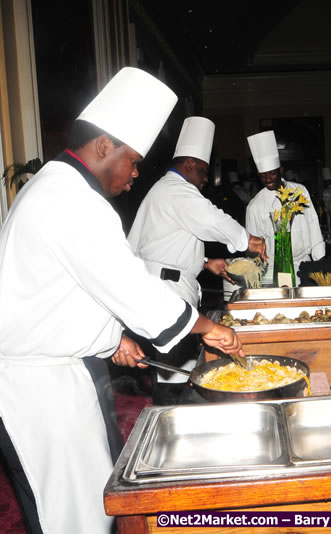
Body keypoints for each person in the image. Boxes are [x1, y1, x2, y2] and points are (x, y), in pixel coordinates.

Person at [0, 68, 244, 534]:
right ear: (104, 146)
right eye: (133, 161)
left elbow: (71, 284)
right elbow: (131, 286)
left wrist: (111, 338)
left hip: (53, 375)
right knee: (69, 519)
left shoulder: (56, 185)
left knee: (95, 501)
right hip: (38, 393)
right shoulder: (72, 199)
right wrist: (207, 327)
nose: (136, 173)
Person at [127, 116, 266, 398]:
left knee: (181, 371)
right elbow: (210, 218)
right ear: (189, 164)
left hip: (164, 284)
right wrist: (246, 239)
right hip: (168, 292)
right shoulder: (176, 189)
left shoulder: (163, 190)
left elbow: (160, 245)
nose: (205, 179)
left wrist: (204, 263)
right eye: (203, 171)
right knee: (176, 379)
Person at [245, 130, 325, 286]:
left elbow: (313, 224)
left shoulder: (300, 191)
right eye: (262, 175)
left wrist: (320, 261)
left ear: (280, 170)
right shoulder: (255, 206)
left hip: (305, 264)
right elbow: (253, 248)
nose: (267, 179)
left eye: (272, 173)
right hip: (273, 269)